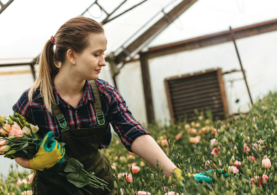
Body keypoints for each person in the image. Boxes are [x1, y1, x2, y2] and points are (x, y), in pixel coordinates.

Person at [12, 16, 185, 195]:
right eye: (96, 54)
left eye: (103, 54)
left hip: (99, 187)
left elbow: (134, 133)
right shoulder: (34, 100)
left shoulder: (104, 94)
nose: (103, 61)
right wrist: (33, 163)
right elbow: (15, 146)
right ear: (72, 56)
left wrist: (174, 173)